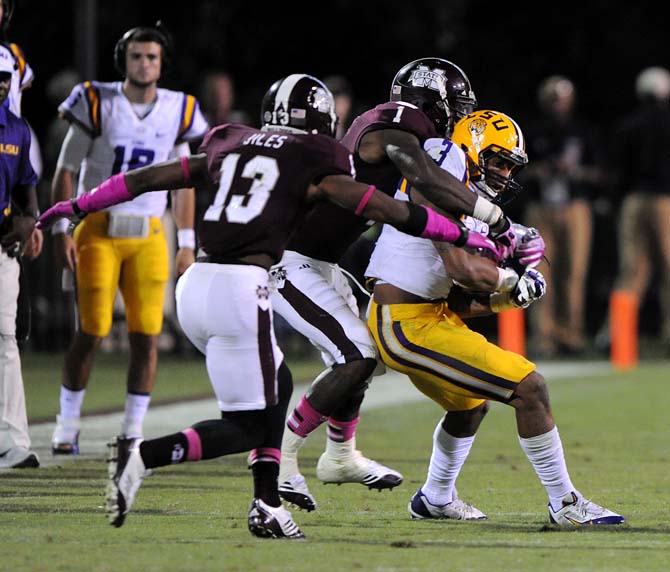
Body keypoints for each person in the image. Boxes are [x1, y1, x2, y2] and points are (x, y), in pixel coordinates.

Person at [38, 74, 499, 538]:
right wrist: (466, 232)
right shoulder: (315, 157)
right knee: (252, 424)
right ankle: (145, 456)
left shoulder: (231, 143)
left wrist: (77, 205)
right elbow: (389, 210)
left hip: (197, 283)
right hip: (241, 288)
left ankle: (270, 502)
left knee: (275, 389)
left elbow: (146, 178)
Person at [275, 57, 514, 512]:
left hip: (322, 260)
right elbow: (425, 177)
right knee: (357, 354)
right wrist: (494, 220)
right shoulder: (398, 120)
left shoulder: (407, 132)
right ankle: (281, 463)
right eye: (458, 104)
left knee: (366, 357)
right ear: (435, 99)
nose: (461, 116)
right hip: (289, 258)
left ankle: (340, 455)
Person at [364, 109, 624, 526]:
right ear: (471, 149)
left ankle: (435, 497)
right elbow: (462, 270)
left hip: (428, 316)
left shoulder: (464, 201)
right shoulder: (435, 184)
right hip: (404, 323)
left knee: (469, 407)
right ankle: (565, 502)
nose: (504, 173)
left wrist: (516, 293)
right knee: (530, 388)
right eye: (498, 160)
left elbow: (465, 300)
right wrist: (511, 278)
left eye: (510, 165)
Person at [48, 24, 208, 455]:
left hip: (151, 233)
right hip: (99, 228)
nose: (144, 64)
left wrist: (187, 241)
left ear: (162, 63)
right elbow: (66, 168)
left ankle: (133, 428)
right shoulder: (97, 100)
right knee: (92, 329)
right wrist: (64, 228)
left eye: (151, 57)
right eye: (137, 56)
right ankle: (67, 424)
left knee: (146, 333)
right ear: (124, 59)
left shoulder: (179, 108)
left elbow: (185, 183)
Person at [520, 76, 603, 356]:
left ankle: (571, 335)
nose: (559, 105)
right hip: (540, 207)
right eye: (554, 99)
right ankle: (544, 336)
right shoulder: (532, 132)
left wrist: (575, 172)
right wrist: (538, 171)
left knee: (574, 273)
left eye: (563, 99)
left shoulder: (583, 131)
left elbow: (601, 172)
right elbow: (516, 171)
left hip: (575, 206)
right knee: (540, 271)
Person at [605, 66, 670, 351]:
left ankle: (615, 335)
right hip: (665, 200)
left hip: (633, 202)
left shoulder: (627, 125)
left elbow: (616, 172)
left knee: (631, 270)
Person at [0, 44, 41, 469]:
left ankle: (12, 442)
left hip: (2, 244)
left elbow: (27, 189)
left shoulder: (16, 129)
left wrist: (30, 221)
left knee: (6, 340)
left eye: (4, 77)